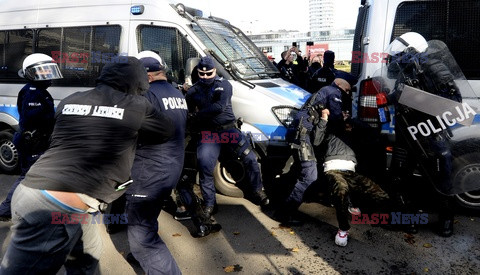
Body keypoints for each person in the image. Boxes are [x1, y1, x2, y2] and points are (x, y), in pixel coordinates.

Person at [0, 56, 174, 274]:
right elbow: (166, 130)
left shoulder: (71, 100)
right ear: (137, 82)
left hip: (38, 192)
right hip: (54, 208)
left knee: (87, 255)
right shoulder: (137, 105)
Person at [385, 32, 458, 237]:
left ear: (412, 51)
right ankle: (408, 222)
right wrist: (388, 98)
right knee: (400, 179)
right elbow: (400, 93)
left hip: (431, 134)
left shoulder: (436, 69)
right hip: (406, 134)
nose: (396, 60)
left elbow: (453, 104)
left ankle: (445, 223)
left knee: (440, 180)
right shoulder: (406, 71)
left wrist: (416, 100)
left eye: (400, 55)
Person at [124, 51, 186, 274]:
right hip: (171, 166)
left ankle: (145, 252)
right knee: (147, 216)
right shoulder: (176, 93)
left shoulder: (146, 96)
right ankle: (138, 252)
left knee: (142, 231)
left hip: (149, 170)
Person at [185, 56, 269, 221]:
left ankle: (258, 191)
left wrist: (197, 115)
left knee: (250, 158)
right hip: (209, 133)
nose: (205, 77)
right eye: (201, 74)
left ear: (215, 71)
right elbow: (188, 113)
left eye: (208, 73)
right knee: (204, 167)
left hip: (229, 130)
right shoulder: (193, 91)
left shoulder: (224, 85)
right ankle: (210, 204)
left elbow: (219, 107)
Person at [0, 53, 60, 221]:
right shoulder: (33, 93)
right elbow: (37, 118)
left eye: (49, 72)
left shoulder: (37, 91)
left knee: (38, 175)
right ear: (31, 74)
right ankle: (5, 209)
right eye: (43, 73)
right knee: (27, 176)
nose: (48, 77)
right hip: (32, 143)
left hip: (36, 141)